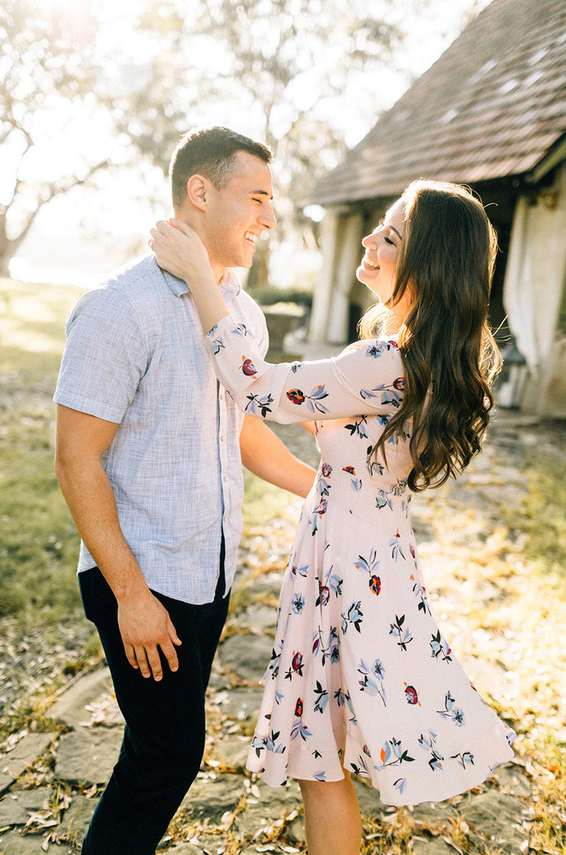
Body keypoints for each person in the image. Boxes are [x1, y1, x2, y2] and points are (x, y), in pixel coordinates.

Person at [149, 179, 517, 855]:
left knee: (320, 758)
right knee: (323, 758)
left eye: (392, 236)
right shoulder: (416, 359)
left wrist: (200, 277)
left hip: (344, 570)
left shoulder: (384, 361)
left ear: (427, 266)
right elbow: (337, 470)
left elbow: (258, 387)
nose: (372, 241)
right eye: (378, 226)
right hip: (371, 557)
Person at [53, 126, 316, 855]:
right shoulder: (118, 306)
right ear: (200, 192)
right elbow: (77, 459)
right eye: (256, 197)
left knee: (158, 749)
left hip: (211, 572)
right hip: (144, 576)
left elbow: (245, 428)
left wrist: (323, 486)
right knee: (165, 755)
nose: (268, 217)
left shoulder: (241, 314)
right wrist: (132, 594)